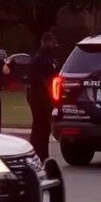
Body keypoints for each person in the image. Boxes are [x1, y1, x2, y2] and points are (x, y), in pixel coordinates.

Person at [27, 31, 60, 161]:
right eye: (52, 42)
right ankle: (37, 153)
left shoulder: (47, 56)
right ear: (46, 42)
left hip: (42, 95)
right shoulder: (40, 58)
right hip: (38, 96)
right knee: (39, 125)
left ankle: (43, 153)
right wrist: (50, 95)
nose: (54, 45)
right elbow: (43, 80)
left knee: (44, 126)